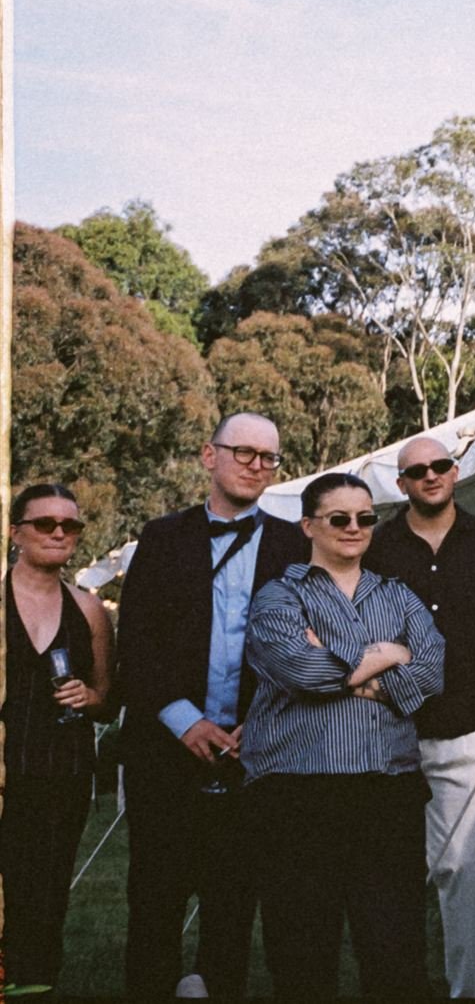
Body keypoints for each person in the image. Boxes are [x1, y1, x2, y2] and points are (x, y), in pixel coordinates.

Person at [117, 411, 310, 999]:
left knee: (232, 907)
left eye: (268, 458)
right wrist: (184, 721)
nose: (256, 466)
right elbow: (136, 644)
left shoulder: (293, 543)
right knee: (155, 902)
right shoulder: (161, 538)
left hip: (256, 757)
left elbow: (314, 642)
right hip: (165, 754)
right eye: (244, 452)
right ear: (209, 455)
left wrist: (268, 720)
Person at [242, 472, 446, 1000]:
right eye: (339, 518)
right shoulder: (276, 597)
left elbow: (431, 671)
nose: (354, 528)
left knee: (395, 949)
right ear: (309, 525)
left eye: (365, 518)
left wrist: (344, 668)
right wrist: (385, 654)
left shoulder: (398, 595)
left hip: (387, 791)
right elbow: (302, 673)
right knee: (303, 952)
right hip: (297, 794)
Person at [365, 435, 475, 998]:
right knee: (391, 875)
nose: (431, 476)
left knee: (472, 869)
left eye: (440, 466)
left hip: (472, 730)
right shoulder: (378, 547)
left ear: (456, 471)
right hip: (389, 731)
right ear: (402, 484)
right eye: (418, 471)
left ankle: (471, 990)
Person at [1, 483, 116, 989]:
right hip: (5, 768)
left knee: (46, 896)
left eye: (70, 525)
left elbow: (108, 698)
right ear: (15, 532)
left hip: (62, 775)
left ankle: (35, 983)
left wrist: (90, 699)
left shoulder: (89, 611)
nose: (59, 533)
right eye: (45, 524)